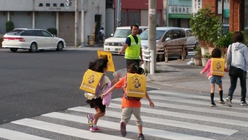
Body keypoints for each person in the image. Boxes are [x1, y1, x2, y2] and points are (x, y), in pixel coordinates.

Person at [101, 61, 155, 140]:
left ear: (128, 70)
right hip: (137, 104)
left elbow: (114, 86)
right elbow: (144, 91)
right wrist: (150, 101)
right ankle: (140, 134)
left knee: (124, 118)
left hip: (126, 103)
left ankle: (123, 124)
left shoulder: (125, 78)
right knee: (138, 119)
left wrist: (105, 93)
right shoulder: (140, 78)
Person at [86, 55, 120, 132]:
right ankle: (91, 117)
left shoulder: (94, 75)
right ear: (104, 68)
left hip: (92, 97)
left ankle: (93, 126)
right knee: (102, 113)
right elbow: (110, 84)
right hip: (99, 98)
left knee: (98, 112)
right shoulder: (104, 77)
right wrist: (116, 78)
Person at [225, 31, 248, 107]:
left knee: (233, 85)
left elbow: (228, 57)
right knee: (243, 85)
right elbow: (247, 59)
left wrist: (227, 65)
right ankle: (243, 100)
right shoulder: (244, 47)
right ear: (242, 38)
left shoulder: (231, 46)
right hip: (242, 68)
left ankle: (229, 97)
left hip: (233, 67)